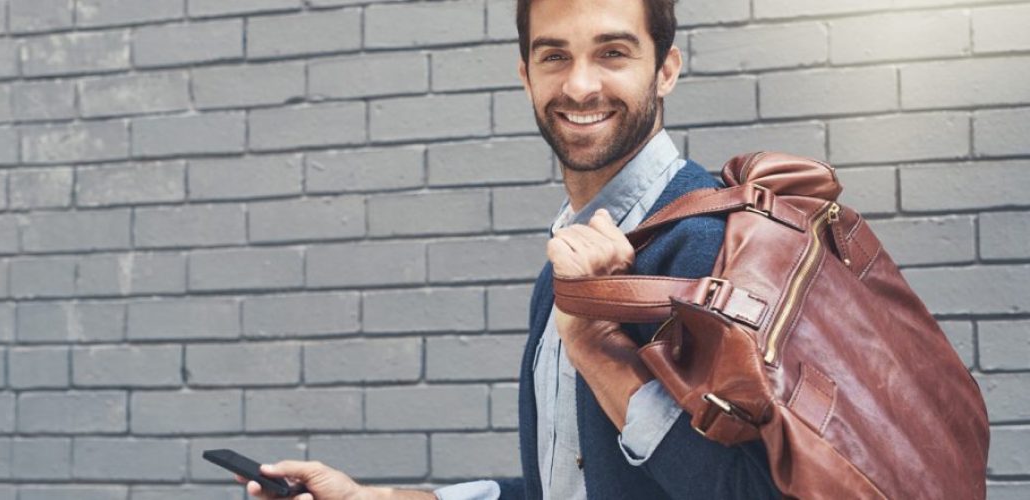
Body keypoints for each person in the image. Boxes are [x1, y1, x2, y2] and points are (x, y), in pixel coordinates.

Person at [242, 0, 779, 498]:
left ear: (666, 69)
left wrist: (594, 343)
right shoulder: (562, 269)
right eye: (554, 56)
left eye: (612, 53)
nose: (580, 85)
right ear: (526, 76)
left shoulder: (708, 249)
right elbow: (568, 485)